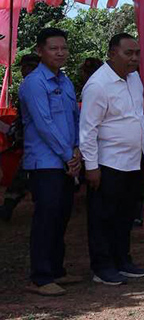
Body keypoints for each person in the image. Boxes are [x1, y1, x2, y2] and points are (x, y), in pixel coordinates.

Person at [79, 33, 144, 285]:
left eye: (137, 53)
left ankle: (122, 260)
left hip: (133, 160)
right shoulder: (98, 85)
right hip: (108, 163)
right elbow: (88, 130)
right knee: (103, 217)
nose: (134, 58)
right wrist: (91, 167)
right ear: (111, 54)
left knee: (125, 215)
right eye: (128, 53)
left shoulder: (135, 78)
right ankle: (102, 267)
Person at [19, 28, 82, 296]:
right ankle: (41, 277)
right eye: (53, 48)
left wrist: (77, 150)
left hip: (67, 161)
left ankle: (56, 270)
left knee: (61, 216)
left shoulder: (65, 81)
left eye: (63, 48)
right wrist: (68, 155)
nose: (60, 53)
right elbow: (44, 124)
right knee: (46, 218)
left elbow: (75, 118)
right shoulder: (34, 83)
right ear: (40, 51)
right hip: (45, 163)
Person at [0, 53, 41, 223]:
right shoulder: (32, 86)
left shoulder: (35, 86)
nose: (23, 71)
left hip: (39, 143)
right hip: (32, 141)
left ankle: (8, 208)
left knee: (24, 177)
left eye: (25, 67)